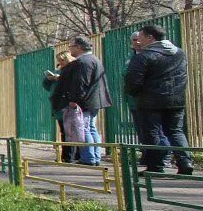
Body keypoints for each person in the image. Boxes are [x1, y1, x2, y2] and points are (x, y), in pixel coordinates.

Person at [125, 24, 193, 175]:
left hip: (150, 101)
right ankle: (185, 162)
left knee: (152, 133)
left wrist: (135, 93)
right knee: (176, 131)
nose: (138, 41)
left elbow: (132, 80)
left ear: (150, 38)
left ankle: (156, 166)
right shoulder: (179, 53)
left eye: (141, 37)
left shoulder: (143, 56)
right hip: (176, 100)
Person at [53, 37, 112, 166]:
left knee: (83, 128)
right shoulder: (94, 59)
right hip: (94, 100)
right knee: (91, 128)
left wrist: (74, 100)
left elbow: (80, 83)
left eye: (71, 46)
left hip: (84, 101)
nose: (70, 49)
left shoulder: (83, 62)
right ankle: (95, 157)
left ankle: (89, 158)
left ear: (78, 47)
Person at [42, 50, 76, 162]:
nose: (60, 62)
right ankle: (67, 156)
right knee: (64, 130)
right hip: (58, 104)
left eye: (62, 60)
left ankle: (69, 156)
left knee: (69, 131)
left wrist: (60, 79)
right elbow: (48, 87)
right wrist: (48, 79)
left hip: (66, 103)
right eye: (58, 60)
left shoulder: (72, 70)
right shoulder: (59, 71)